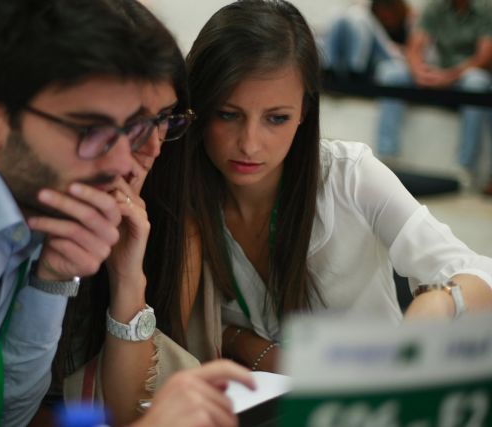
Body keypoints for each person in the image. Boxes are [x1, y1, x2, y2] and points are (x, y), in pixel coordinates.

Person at [0, 0, 253, 426]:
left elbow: (3, 419)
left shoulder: (23, 215)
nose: (124, 162)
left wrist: (52, 280)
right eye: (91, 129)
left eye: (128, 128)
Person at [184, 0, 492, 373]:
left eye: (277, 118)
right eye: (228, 115)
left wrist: (442, 301)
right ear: (198, 106)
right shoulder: (184, 196)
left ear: (304, 112)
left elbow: (476, 270)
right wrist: (248, 344)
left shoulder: (350, 177)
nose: (250, 143)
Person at [39, 1, 218, 425]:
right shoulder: (19, 214)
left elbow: (124, 411)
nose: (154, 145)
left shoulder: (168, 220)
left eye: (164, 118)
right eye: (135, 121)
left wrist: (127, 274)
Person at [375, 0, 492, 189]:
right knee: (391, 73)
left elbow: (484, 58)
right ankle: (386, 158)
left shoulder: (487, 8)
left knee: (475, 83)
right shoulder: (436, 5)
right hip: (440, 72)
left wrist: (448, 77)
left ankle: (466, 170)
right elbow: (415, 45)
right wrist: (418, 71)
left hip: (466, 74)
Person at [323, 0, 412, 80]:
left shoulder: (408, 23)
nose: (386, 16)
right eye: (383, 14)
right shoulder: (371, 22)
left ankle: (356, 69)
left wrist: (399, 50)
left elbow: (406, 53)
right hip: (363, 59)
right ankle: (332, 68)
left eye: (389, 12)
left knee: (360, 17)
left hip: (388, 59)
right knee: (342, 16)